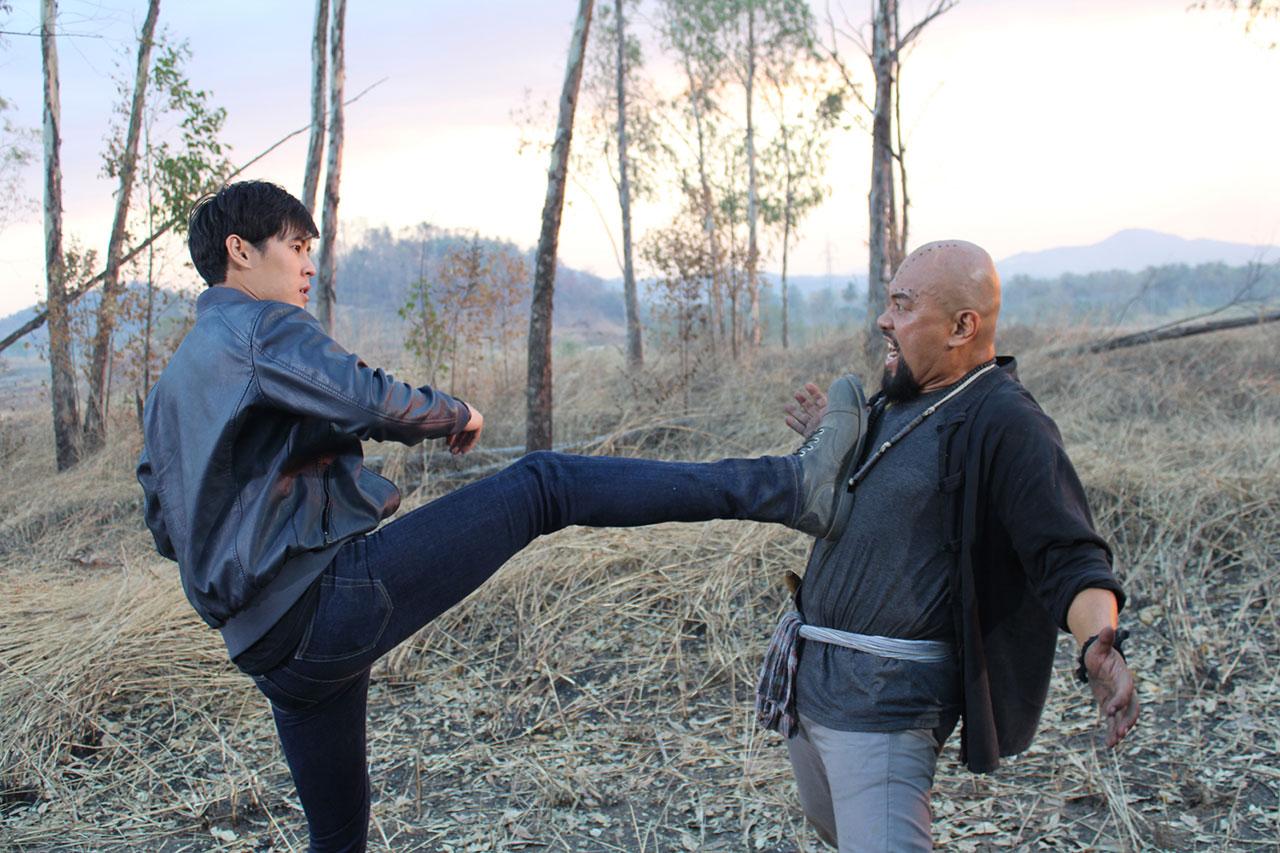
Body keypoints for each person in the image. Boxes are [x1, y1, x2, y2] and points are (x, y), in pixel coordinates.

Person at [135, 180, 868, 852]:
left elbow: (166, 524)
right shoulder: (261, 327)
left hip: (268, 651)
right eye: (295, 247)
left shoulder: (173, 385)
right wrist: (454, 412)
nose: (305, 266)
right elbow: (362, 395)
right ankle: (790, 486)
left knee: (337, 835)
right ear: (241, 251)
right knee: (544, 483)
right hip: (322, 609)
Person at [758, 240, 1140, 852]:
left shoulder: (1008, 422)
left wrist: (1099, 641)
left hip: (885, 702)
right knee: (835, 831)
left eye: (903, 305)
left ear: (963, 327)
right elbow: (876, 502)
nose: (884, 320)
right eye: (889, 302)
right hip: (815, 685)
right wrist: (829, 446)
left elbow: (1067, 553)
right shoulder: (899, 400)